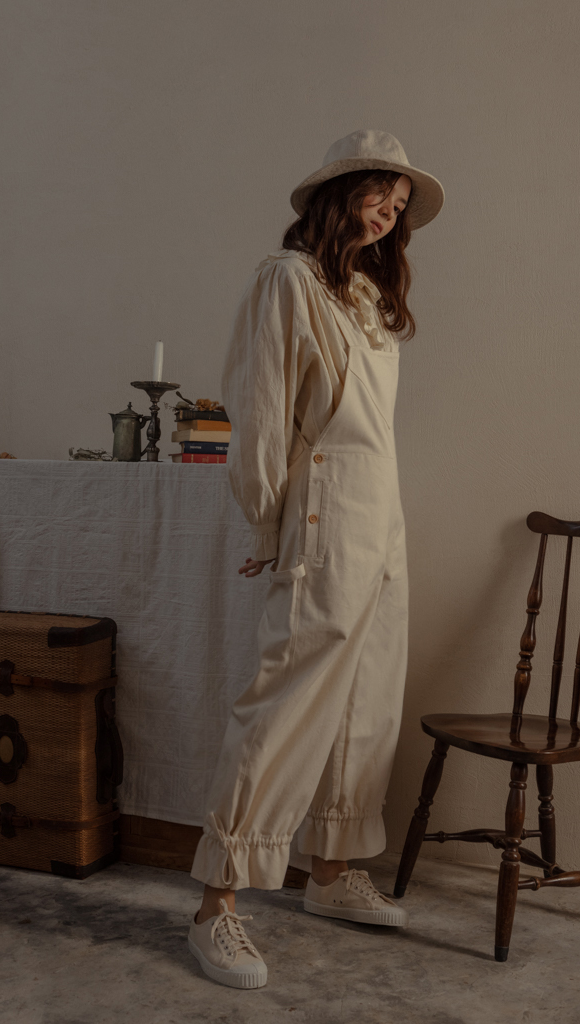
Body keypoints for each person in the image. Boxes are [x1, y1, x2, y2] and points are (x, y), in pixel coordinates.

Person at [187, 129, 445, 989]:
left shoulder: (363, 294)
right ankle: (216, 904)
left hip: (381, 511)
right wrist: (267, 524)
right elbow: (262, 408)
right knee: (286, 701)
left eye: (399, 205)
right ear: (339, 193)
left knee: (367, 699)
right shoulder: (288, 280)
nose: (389, 214)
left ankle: (331, 871)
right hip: (326, 507)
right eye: (379, 195)